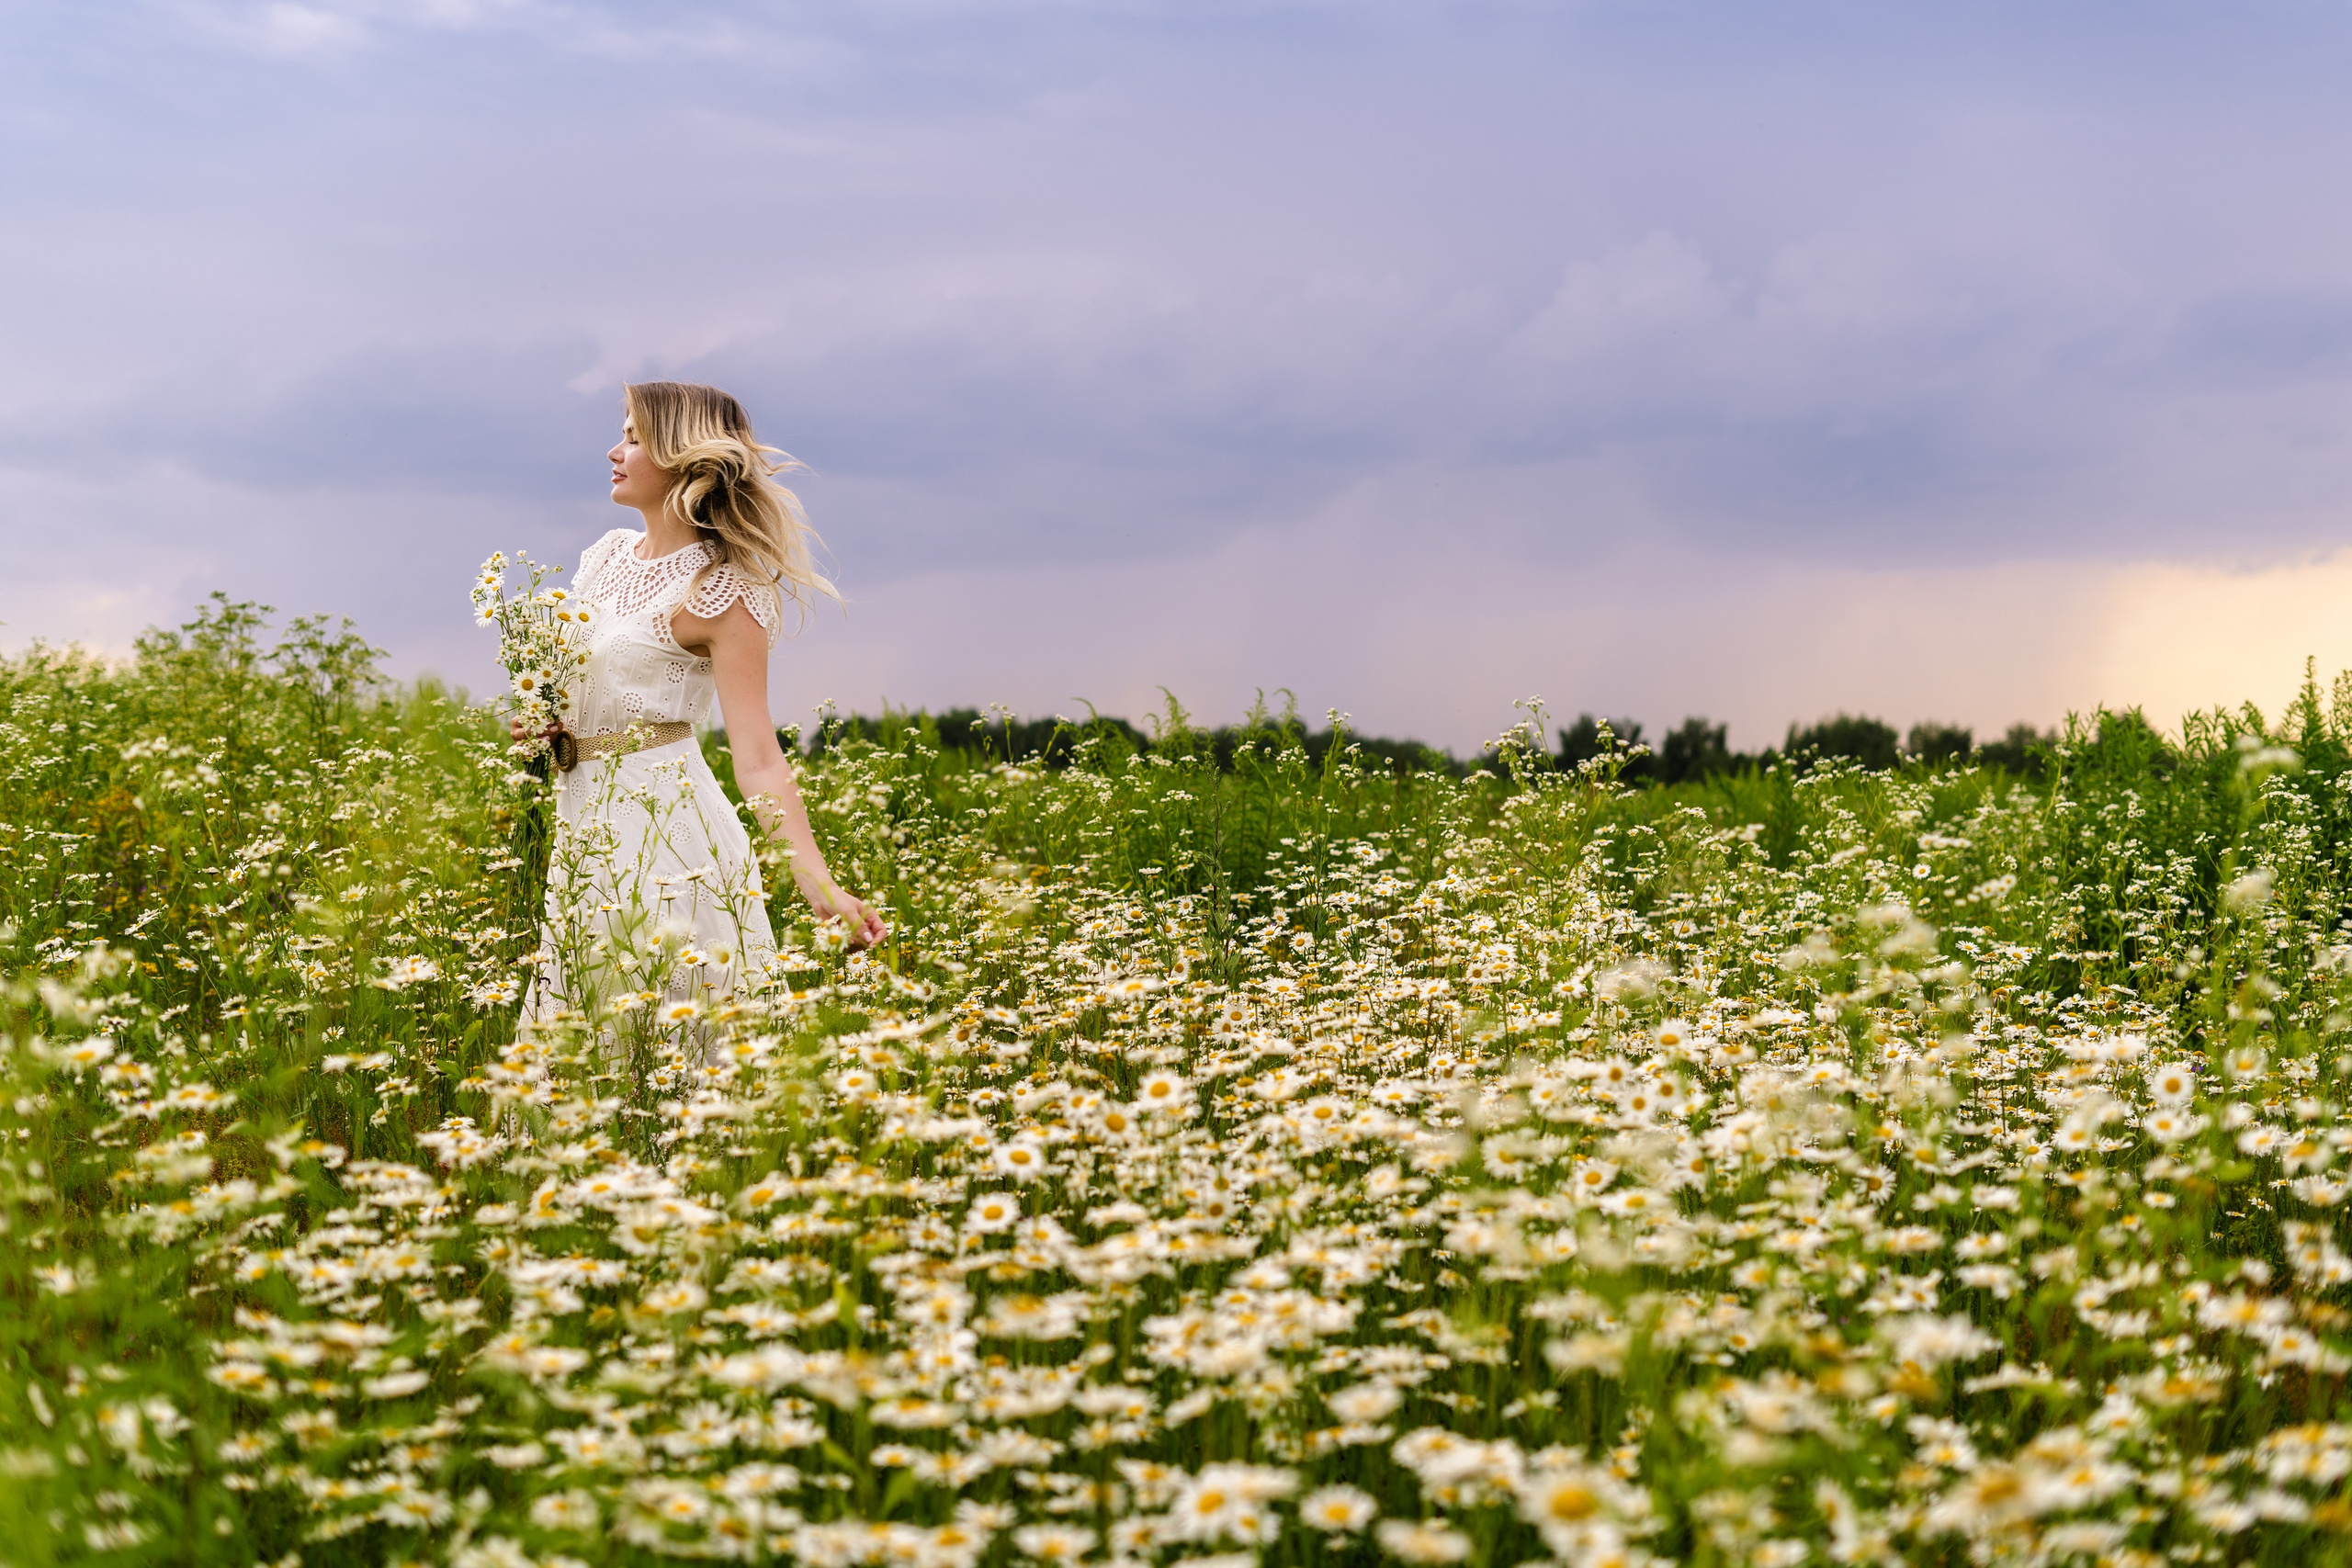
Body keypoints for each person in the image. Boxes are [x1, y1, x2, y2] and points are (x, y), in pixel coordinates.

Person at [516, 381, 884, 1030]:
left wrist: (819, 884)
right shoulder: (601, 559)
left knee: (670, 1030)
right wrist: (551, 724)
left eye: (634, 438)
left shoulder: (723, 587)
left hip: (670, 837)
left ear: (685, 459)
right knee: (583, 1028)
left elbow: (761, 757)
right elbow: (588, 682)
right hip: (583, 829)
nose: (614, 450)